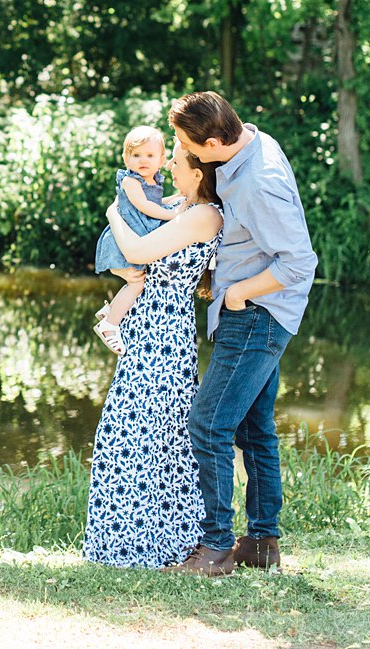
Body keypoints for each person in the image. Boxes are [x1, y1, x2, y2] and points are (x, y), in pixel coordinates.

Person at [165, 91, 317, 576]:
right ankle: (261, 544)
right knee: (256, 431)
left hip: (255, 315)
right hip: (262, 312)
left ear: (213, 141)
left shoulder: (258, 181)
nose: (182, 151)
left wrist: (237, 294)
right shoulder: (252, 140)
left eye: (187, 144)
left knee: (208, 426)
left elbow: (299, 262)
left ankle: (215, 548)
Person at [83, 148, 223, 569]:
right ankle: (126, 542)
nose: (169, 171)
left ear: (198, 174)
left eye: (177, 164)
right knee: (134, 431)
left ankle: (154, 542)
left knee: (147, 433)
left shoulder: (204, 215)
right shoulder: (184, 207)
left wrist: (113, 215)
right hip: (150, 327)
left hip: (164, 333)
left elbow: (141, 251)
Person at [92, 126, 179, 354]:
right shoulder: (131, 182)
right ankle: (109, 325)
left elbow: (156, 204)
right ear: (126, 158)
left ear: (161, 159)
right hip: (124, 238)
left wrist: (178, 198)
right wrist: (174, 214)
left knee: (137, 281)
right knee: (136, 282)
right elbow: (145, 206)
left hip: (137, 234)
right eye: (136, 155)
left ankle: (112, 310)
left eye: (150, 155)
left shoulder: (153, 180)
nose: (143, 160)